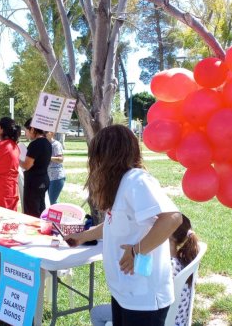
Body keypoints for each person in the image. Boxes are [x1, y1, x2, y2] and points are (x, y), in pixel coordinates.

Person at [65, 125, 182, 326]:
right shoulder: (120, 183)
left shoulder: (136, 180)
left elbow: (172, 218)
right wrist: (82, 236)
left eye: (98, 155)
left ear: (109, 155)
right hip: (125, 290)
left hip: (144, 296)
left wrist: (137, 251)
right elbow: (114, 224)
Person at [90, 214, 200, 326]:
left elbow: (135, 289)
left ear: (166, 232)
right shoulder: (182, 260)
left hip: (152, 316)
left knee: (96, 313)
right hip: (176, 321)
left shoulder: (162, 266)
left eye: (154, 225)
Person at [19, 118, 52, 217]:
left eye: (26, 131)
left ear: (32, 129)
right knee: (40, 207)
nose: (26, 134)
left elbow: (27, 165)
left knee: (31, 211)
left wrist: (16, 157)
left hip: (34, 182)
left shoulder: (35, 144)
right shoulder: (47, 142)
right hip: (43, 179)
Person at [46, 131, 65, 204]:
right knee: (52, 201)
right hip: (48, 177)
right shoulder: (45, 144)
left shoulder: (56, 144)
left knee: (53, 202)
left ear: (52, 133)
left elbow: (61, 159)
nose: (44, 133)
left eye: (47, 132)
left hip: (56, 177)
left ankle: (58, 214)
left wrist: (48, 157)